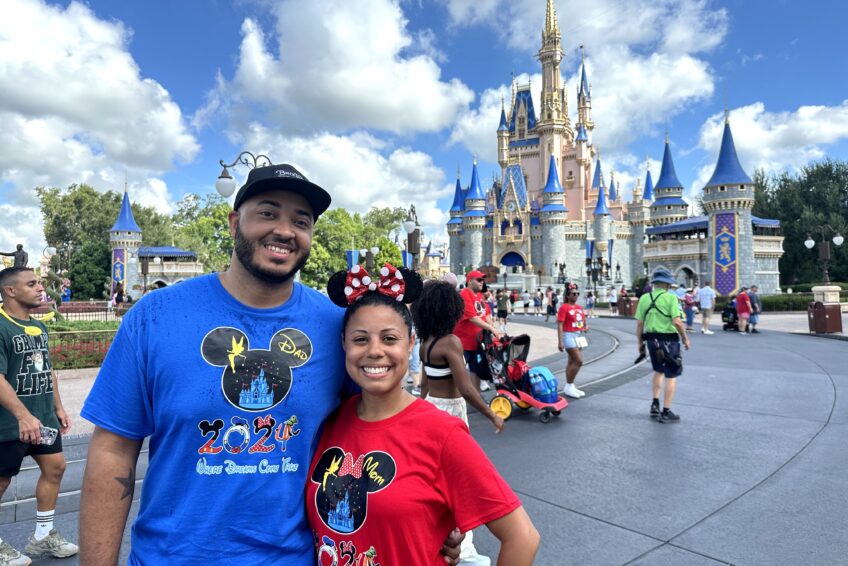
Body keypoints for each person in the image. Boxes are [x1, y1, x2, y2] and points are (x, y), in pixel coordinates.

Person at [78, 164, 462, 565]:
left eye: (301, 220)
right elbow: (113, 452)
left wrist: (425, 513)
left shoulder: (336, 328)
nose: (284, 230)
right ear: (233, 222)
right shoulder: (156, 316)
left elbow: (378, 428)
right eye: (268, 212)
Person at [311, 269, 539, 566]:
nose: (375, 351)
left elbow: (522, 537)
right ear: (344, 343)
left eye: (389, 338)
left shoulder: (442, 434)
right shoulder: (331, 421)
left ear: (410, 343)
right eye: (360, 339)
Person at [414, 280, 507, 564]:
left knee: (437, 479)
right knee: (458, 480)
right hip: (451, 412)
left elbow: (424, 388)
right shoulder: (450, 343)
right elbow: (466, 389)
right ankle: (462, 548)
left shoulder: (425, 345)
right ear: (449, 311)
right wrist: (492, 413)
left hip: (432, 409)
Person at [0, 267, 77, 564]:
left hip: (41, 419)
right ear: (10, 291)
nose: (40, 288)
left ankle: (43, 538)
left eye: (40, 283)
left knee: (55, 467)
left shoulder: (37, 327)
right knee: (2, 481)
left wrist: (57, 408)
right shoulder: (2, 326)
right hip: (10, 423)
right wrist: (23, 415)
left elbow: (46, 369)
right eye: (31, 284)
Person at [635, 268, 691, 423]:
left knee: (658, 370)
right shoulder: (671, 298)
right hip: (669, 341)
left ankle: (655, 404)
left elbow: (640, 323)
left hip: (651, 341)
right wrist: (685, 338)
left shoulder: (645, 298)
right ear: (667, 284)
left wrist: (639, 342)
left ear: (654, 283)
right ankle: (666, 411)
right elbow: (677, 322)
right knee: (671, 374)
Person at [454, 271, 501, 394]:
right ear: (469, 281)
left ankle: (477, 398)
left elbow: (485, 315)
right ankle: (453, 398)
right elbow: (472, 318)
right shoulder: (464, 295)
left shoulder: (479, 295)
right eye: (479, 280)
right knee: (458, 372)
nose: (482, 282)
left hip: (477, 342)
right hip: (463, 343)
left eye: (482, 280)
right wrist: (491, 329)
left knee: (475, 371)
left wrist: (494, 329)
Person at [557, 284, 588, 399]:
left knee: (571, 362)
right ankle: (569, 385)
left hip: (578, 336)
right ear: (568, 295)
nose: (576, 295)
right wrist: (560, 342)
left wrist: (585, 326)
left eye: (577, 293)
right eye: (573, 294)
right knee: (579, 361)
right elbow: (560, 325)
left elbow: (583, 320)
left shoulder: (579, 308)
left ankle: (570, 386)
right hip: (568, 336)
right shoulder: (564, 307)